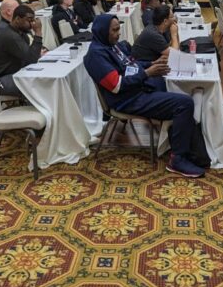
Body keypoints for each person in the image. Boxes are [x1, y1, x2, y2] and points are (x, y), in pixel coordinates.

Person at [84, 14, 205, 178]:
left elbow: (130, 65)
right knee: (184, 103)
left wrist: (151, 64)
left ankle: (181, 144)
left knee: (173, 88)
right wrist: (147, 73)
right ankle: (178, 159)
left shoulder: (111, 46)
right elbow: (116, 86)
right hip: (126, 100)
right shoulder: (96, 55)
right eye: (114, 30)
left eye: (119, 28)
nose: (118, 33)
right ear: (102, 31)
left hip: (136, 90)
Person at [0, 4, 44, 97]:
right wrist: (38, 32)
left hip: (12, 73)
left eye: (33, 20)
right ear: (17, 19)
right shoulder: (10, 36)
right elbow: (32, 59)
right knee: (38, 84)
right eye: (29, 20)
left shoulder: (21, 34)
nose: (32, 24)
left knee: (40, 78)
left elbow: (28, 58)